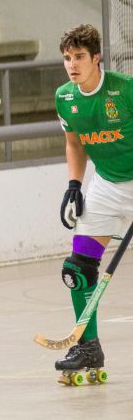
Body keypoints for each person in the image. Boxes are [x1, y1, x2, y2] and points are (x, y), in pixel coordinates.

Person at [52, 23, 133, 381]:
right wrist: (74, 184)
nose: (72, 64)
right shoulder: (65, 97)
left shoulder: (124, 90)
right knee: (77, 269)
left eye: (79, 57)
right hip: (104, 185)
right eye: (67, 58)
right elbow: (75, 143)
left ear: (96, 57)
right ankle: (88, 346)